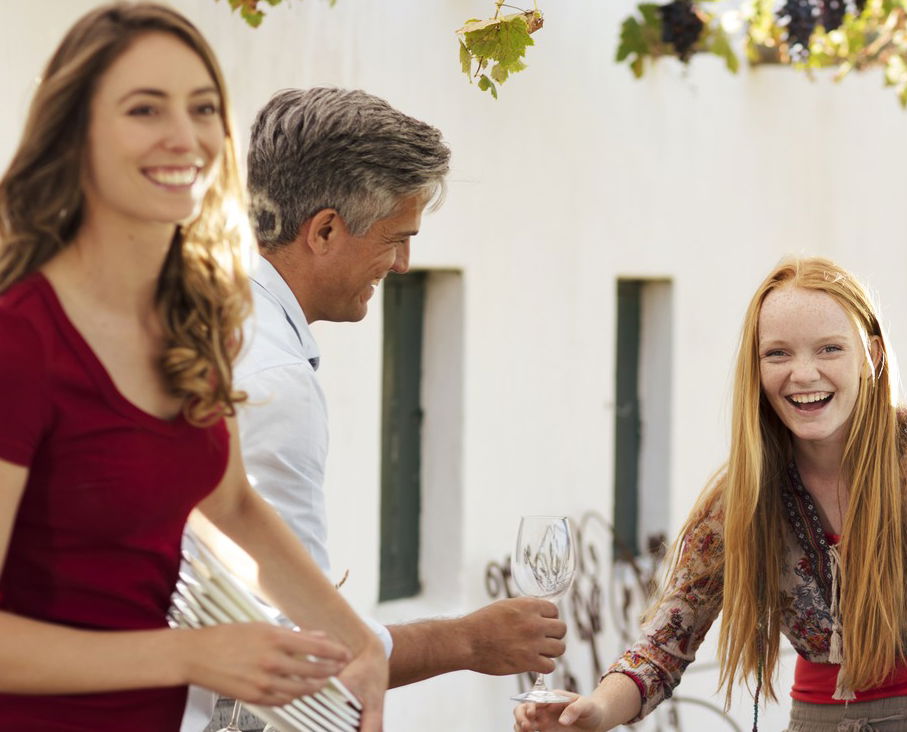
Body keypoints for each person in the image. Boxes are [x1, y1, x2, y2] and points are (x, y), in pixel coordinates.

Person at [515, 257, 907, 732]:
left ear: (870, 355)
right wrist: (594, 712)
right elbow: (665, 640)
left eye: (829, 349)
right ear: (756, 369)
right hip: (816, 718)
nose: (804, 373)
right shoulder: (742, 495)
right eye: (778, 353)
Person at [0, 4, 386, 729]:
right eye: (145, 108)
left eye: (203, 107)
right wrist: (187, 655)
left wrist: (360, 643)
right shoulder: (18, 338)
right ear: (76, 132)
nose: (185, 137)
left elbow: (231, 498)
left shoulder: (189, 315)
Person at [183, 86, 569, 731]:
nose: (405, 264)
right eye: (397, 238)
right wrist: (469, 641)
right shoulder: (274, 374)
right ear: (326, 230)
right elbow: (300, 650)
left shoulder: (200, 307)